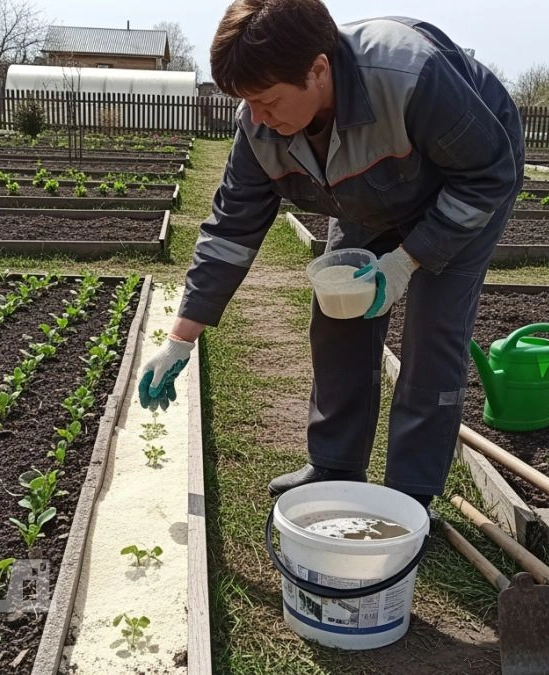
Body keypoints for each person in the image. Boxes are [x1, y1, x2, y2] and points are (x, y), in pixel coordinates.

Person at [137, 0, 525, 508]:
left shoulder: (411, 76)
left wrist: (406, 261)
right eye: (246, 101)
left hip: (464, 184)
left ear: (318, 70)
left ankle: (410, 494)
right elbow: (232, 228)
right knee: (339, 316)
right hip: (367, 190)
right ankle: (335, 465)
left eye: (268, 101)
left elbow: (487, 176)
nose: (255, 117)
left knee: (433, 335)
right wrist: (180, 340)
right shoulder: (258, 124)